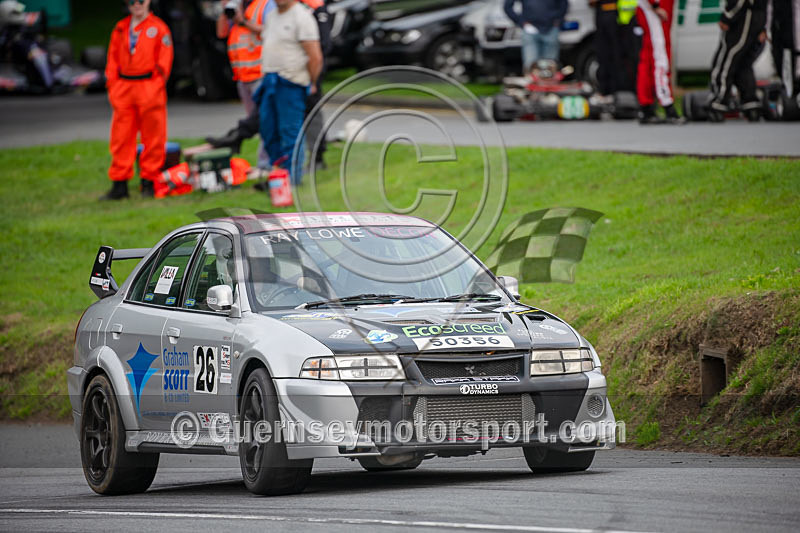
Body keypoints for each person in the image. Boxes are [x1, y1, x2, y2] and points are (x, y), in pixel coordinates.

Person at [101, 0, 173, 200]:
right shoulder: (121, 28)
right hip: (124, 88)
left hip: (149, 86)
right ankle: (119, 184)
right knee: (121, 137)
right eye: (132, 1)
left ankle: (149, 182)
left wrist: (155, 86)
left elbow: (165, 62)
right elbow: (112, 60)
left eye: (141, 0)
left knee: (153, 137)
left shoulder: (159, 28)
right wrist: (113, 86)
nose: (137, 4)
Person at [255, 0, 323, 186]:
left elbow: (315, 57)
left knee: (290, 132)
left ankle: (292, 180)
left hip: (291, 82)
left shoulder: (302, 17)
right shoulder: (271, 16)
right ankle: (279, 175)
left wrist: (312, 81)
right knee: (268, 131)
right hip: (270, 79)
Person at [217, 0, 272, 169]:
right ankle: (265, 162)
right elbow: (221, 32)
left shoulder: (265, 5)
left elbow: (270, 32)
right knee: (255, 123)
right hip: (243, 78)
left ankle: (265, 163)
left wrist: (243, 22)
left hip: (260, 75)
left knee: (266, 121)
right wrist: (225, 11)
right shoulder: (237, 6)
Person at [708, 0, 768, 122]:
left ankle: (719, 99)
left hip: (743, 16)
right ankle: (750, 102)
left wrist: (727, 16)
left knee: (727, 58)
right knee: (744, 62)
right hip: (757, 15)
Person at [635, 0, 683, 124]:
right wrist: (655, 5)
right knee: (660, 58)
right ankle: (667, 103)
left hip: (652, 8)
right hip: (654, 10)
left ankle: (646, 106)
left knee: (648, 59)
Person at [503, 0, 569, 74]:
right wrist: (521, 22)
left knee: (550, 66)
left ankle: (549, 84)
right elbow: (507, 6)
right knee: (531, 66)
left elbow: (564, 4)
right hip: (530, 30)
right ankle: (532, 84)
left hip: (551, 29)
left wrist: (558, 20)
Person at [591, 0, 636, 101]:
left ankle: (617, 91)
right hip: (603, 13)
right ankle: (605, 90)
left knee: (617, 56)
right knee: (603, 55)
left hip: (616, 15)